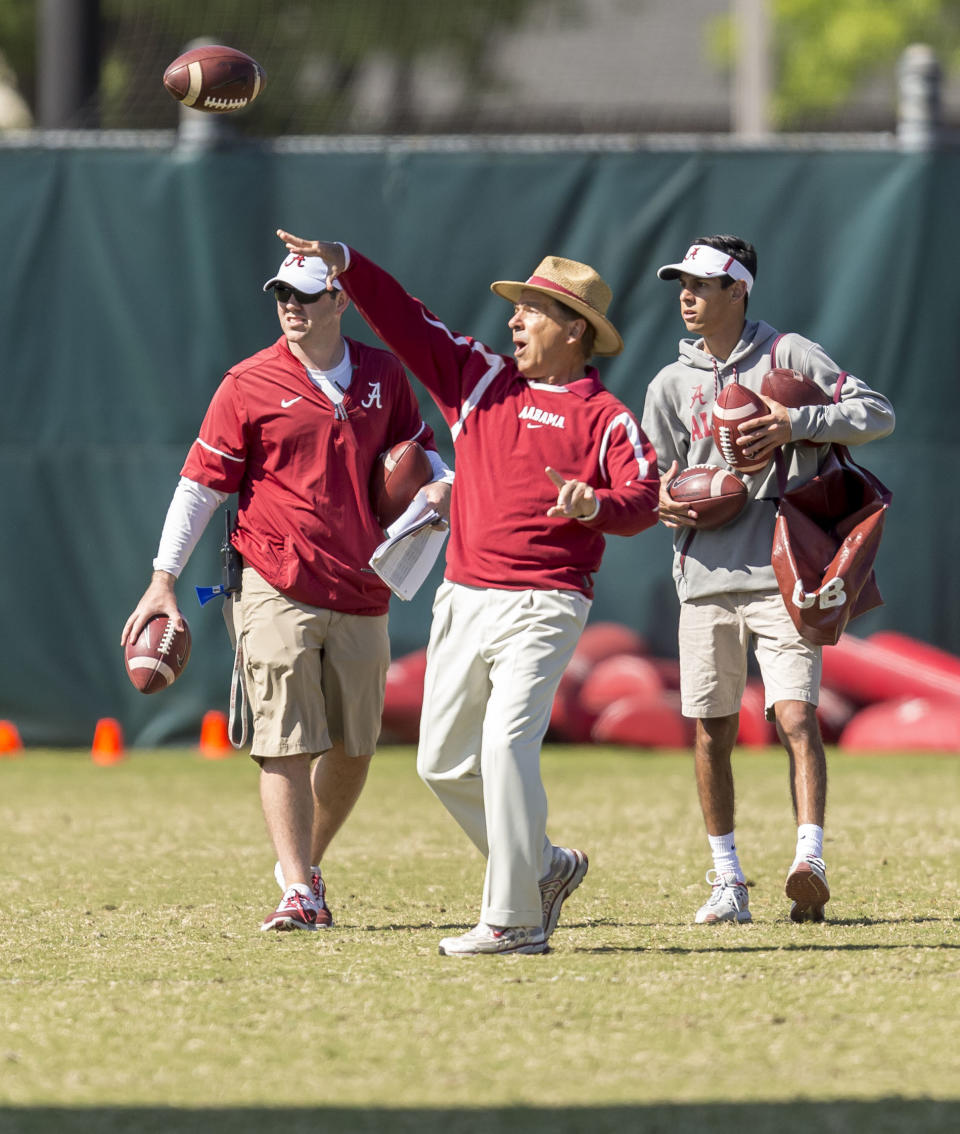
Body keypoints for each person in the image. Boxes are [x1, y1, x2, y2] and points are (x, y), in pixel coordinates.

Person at [274, 230, 660, 956]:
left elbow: (645, 494)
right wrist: (347, 265)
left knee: (508, 744)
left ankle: (513, 922)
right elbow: (405, 319)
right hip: (463, 596)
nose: (514, 321)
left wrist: (596, 508)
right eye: (515, 310)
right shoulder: (480, 380)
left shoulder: (606, 417)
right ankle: (543, 867)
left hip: (545, 601)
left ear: (575, 329)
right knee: (440, 763)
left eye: (533, 311)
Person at [121, 251, 452, 933]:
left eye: (305, 295)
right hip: (274, 579)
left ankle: (305, 864)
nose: (291, 307)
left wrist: (441, 484)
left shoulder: (383, 375)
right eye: (281, 295)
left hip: (363, 582)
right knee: (284, 737)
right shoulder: (247, 382)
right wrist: (162, 580)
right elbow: (200, 487)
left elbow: (423, 452)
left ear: (341, 300)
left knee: (355, 748)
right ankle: (299, 889)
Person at [642, 235, 895, 925]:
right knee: (710, 730)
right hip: (701, 579)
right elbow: (653, 476)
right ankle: (727, 881)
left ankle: (808, 858)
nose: (687, 297)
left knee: (795, 717)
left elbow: (877, 412)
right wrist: (664, 498)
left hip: (783, 574)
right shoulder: (669, 383)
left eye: (701, 285)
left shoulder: (789, 356)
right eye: (681, 285)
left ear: (738, 291)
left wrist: (794, 421)